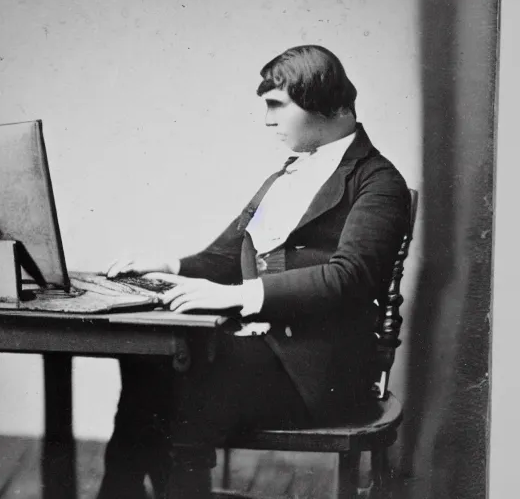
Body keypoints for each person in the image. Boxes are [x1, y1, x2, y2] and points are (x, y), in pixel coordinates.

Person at [96, 45, 411, 499]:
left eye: (277, 105)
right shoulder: (289, 175)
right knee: (148, 364)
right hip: (260, 353)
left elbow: (350, 278)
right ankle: (122, 492)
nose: (267, 120)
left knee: (182, 389)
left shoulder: (378, 182)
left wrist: (239, 296)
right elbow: (225, 258)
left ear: (326, 104)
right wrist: (167, 265)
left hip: (318, 373)